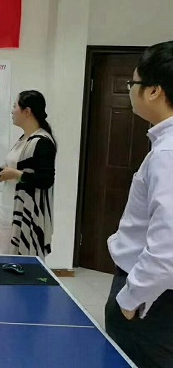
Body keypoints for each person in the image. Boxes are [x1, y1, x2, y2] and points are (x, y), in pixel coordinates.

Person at [105, 41, 173, 368]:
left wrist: (130, 299)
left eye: (133, 83)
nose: (130, 90)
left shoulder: (167, 154)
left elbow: (167, 248)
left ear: (154, 91)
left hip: (152, 303)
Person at [0, 90, 57, 259]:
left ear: (27, 111)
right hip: (8, 209)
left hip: (26, 214)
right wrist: (5, 172)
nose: (12, 111)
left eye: (15, 106)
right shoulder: (24, 138)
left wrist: (15, 174)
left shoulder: (43, 142)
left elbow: (46, 179)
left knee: (20, 263)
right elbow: (19, 167)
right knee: (2, 257)